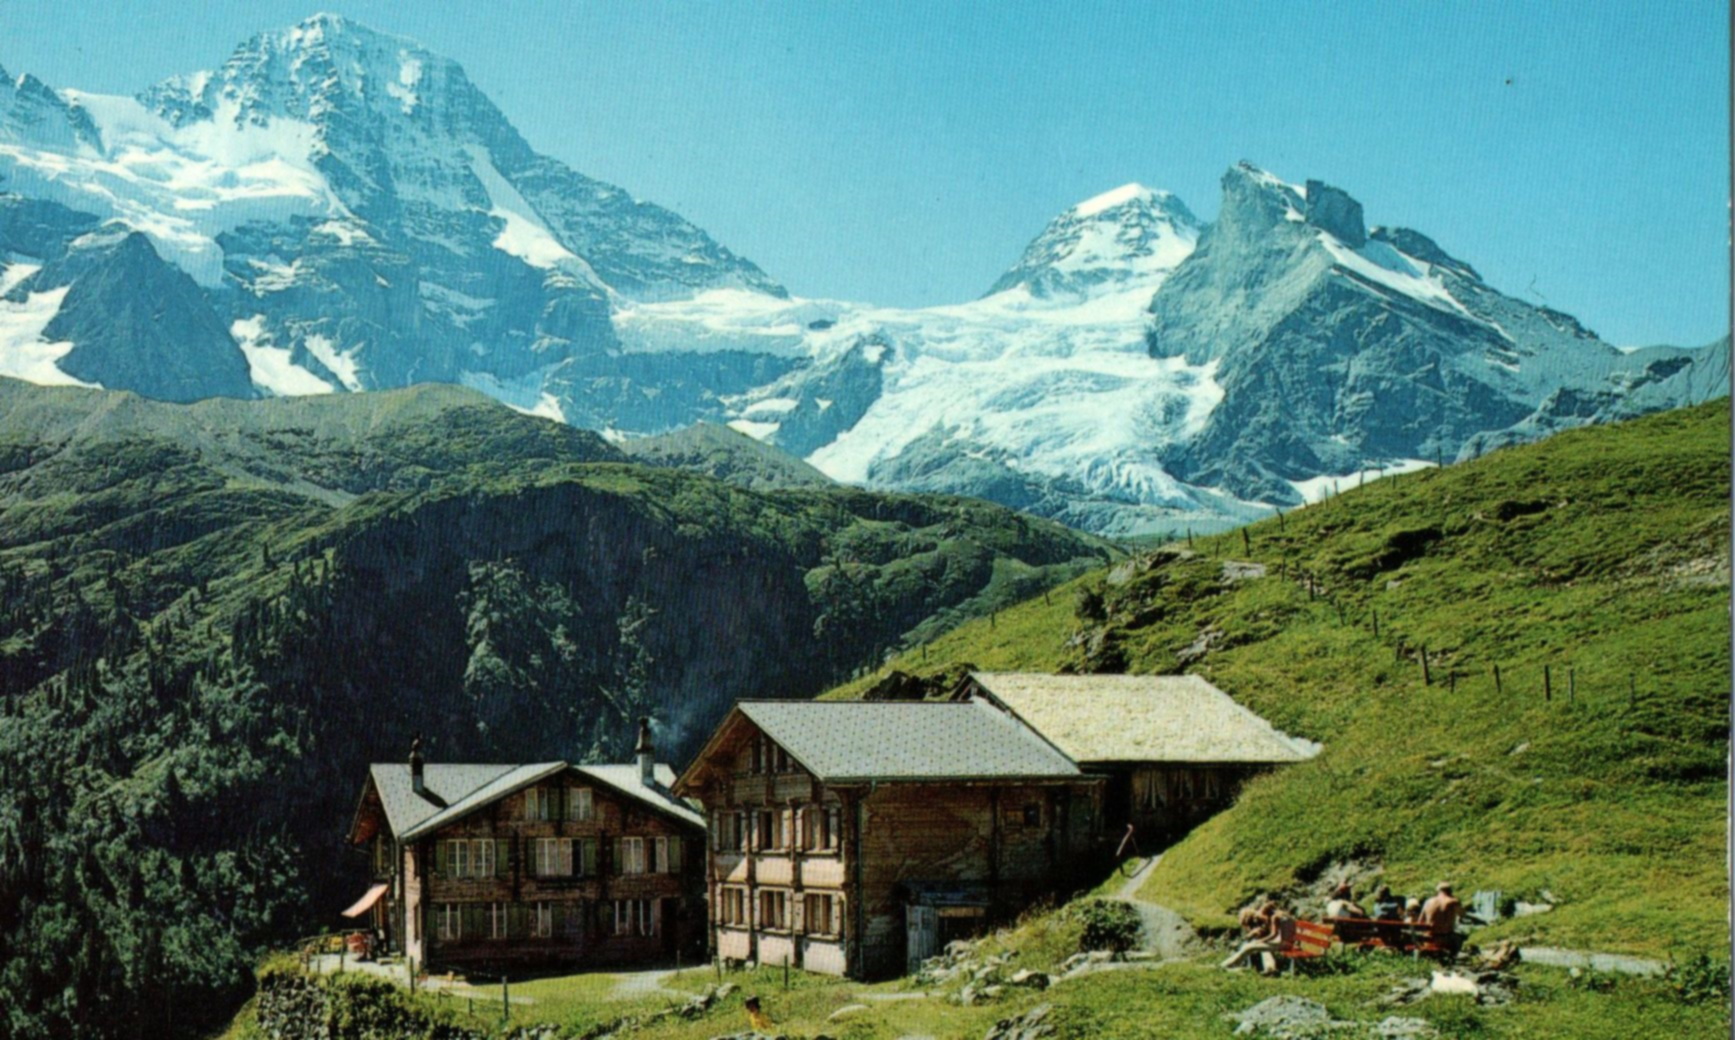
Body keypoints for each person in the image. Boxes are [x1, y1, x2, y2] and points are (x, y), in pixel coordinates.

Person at [1221, 901, 1287, 973]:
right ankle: (1269, 967)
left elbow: (1274, 934)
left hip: (1280, 943)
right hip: (1280, 942)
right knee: (1252, 946)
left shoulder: (1274, 918)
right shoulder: (1274, 918)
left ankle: (1227, 965)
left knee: (1250, 947)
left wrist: (1261, 939)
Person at [1419, 882, 1465, 957]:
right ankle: (1452, 958)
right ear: (1450, 891)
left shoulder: (1428, 901)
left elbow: (1420, 921)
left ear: (1438, 891)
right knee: (1460, 936)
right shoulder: (1453, 901)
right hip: (1444, 939)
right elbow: (1462, 915)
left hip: (1427, 939)